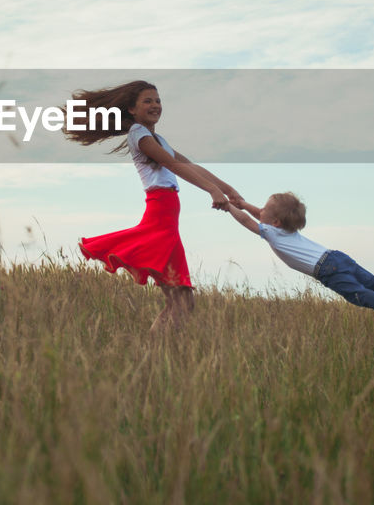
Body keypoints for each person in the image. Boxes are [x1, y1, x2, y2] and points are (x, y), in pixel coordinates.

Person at [64, 81, 242, 330]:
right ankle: (157, 352)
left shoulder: (156, 138)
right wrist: (211, 190)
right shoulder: (139, 135)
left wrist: (226, 188)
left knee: (182, 300)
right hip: (160, 217)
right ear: (132, 109)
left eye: (157, 100)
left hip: (167, 220)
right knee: (181, 300)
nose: (155, 105)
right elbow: (171, 165)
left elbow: (188, 164)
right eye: (147, 101)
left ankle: (155, 352)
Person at [221, 191, 374, 335]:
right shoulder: (283, 228)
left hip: (326, 270)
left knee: (355, 293)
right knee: (370, 281)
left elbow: (248, 221)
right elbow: (263, 217)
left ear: (275, 223)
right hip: (336, 257)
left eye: (263, 208)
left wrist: (228, 206)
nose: (260, 210)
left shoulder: (271, 232)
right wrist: (244, 204)